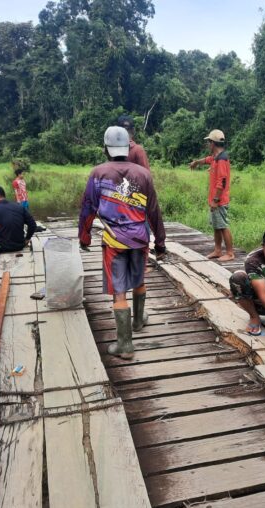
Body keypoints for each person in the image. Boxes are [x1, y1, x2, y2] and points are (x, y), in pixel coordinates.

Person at [79, 126, 166, 359]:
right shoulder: (143, 174)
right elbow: (154, 212)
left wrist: (84, 236)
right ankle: (138, 321)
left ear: (106, 148)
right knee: (138, 280)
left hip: (114, 242)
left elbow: (88, 207)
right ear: (128, 147)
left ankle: (125, 345)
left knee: (119, 292)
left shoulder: (98, 173)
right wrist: (161, 243)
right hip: (140, 238)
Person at [189, 129, 234, 262]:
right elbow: (208, 159)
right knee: (216, 226)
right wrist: (197, 162)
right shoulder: (216, 157)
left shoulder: (221, 160)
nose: (208, 145)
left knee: (223, 226)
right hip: (216, 200)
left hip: (219, 200)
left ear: (212, 143)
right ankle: (218, 250)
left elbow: (222, 182)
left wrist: (215, 200)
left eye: (209, 142)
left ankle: (230, 253)